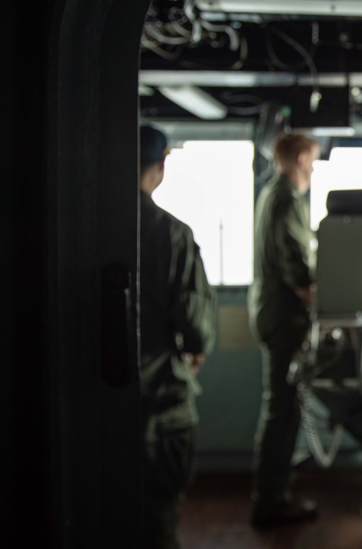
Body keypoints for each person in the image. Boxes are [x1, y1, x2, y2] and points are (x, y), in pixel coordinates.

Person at [138, 124, 217, 549]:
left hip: (87, 401)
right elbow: (194, 323)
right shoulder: (170, 234)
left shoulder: (79, 227)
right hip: (159, 403)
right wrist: (197, 349)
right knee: (159, 520)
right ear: (161, 164)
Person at [248, 132, 321, 529]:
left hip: (271, 313)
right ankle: (270, 502)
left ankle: (273, 495)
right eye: (311, 159)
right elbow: (296, 266)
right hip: (284, 318)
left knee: (281, 408)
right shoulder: (286, 199)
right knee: (281, 412)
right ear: (299, 159)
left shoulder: (269, 195)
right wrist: (321, 301)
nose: (312, 167)